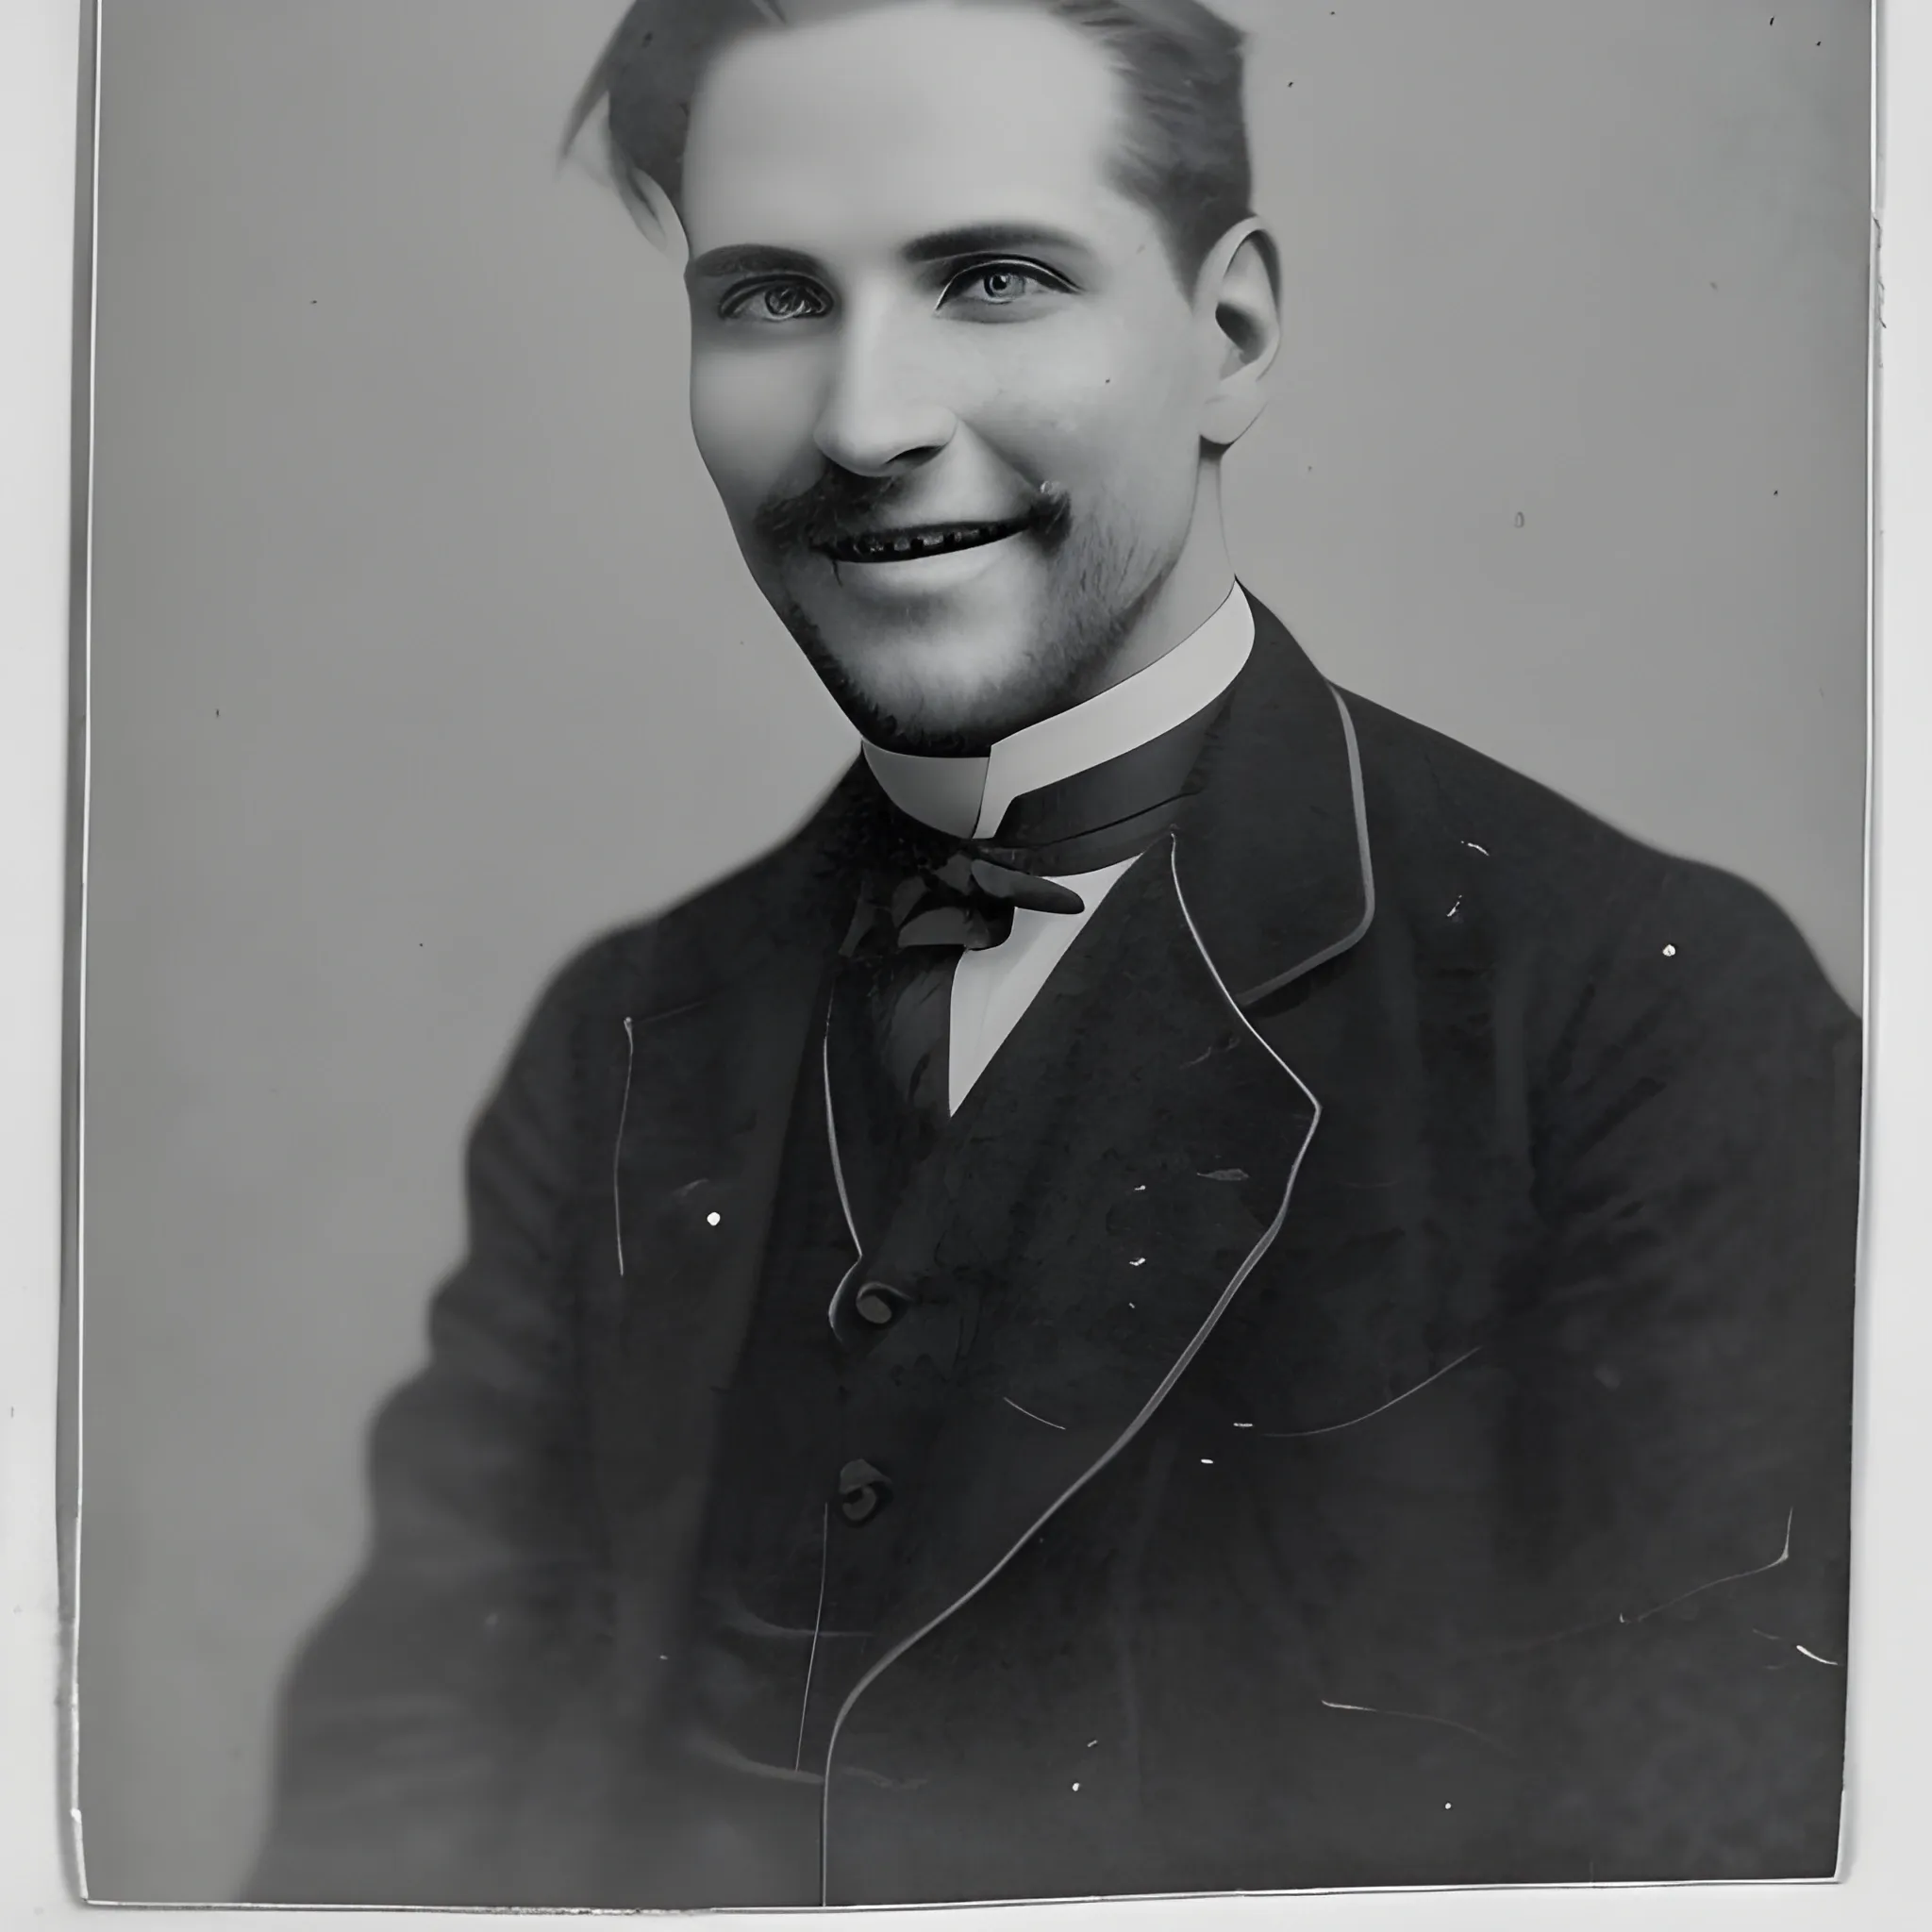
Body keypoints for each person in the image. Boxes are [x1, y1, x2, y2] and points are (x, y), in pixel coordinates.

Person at [248, 0, 1860, 1908]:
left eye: (993, 278)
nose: (864, 422)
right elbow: (395, 1800)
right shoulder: (622, 1029)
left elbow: (1723, 1857)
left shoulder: (1637, 1015)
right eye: (767, 299)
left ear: (1228, 333)